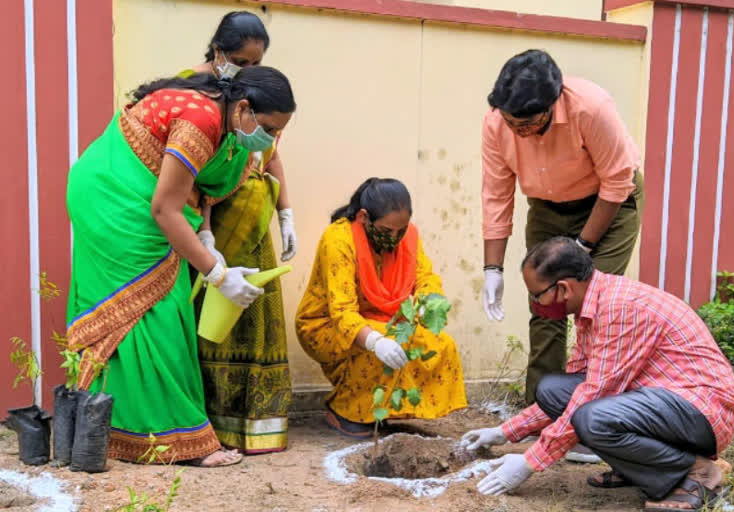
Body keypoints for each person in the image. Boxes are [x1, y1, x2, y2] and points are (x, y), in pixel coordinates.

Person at [66, 66, 296, 466]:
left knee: (161, 309)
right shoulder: (200, 121)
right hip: (113, 198)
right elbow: (165, 209)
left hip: (141, 198)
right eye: (270, 128)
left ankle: (124, 428)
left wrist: (205, 238)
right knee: (155, 313)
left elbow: (196, 187)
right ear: (243, 108)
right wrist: (217, 274)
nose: (271, 140)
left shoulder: (226, 125)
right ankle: (162, 438)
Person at [462, 237, 734, 511]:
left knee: (591, 418)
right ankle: (642, 469)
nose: (536, 303)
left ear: (564, 288)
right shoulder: (592, 309)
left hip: (703, 411)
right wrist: (504, 432)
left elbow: (592, 396)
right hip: (663, 402)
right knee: (553, 390)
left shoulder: (620, 309)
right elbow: (577, 389)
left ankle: (698, 472)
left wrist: (529, 462)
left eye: (537, 295)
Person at [480, 49, 644, 409]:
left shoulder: (591, 108)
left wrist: (583, 247)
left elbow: (618, 183)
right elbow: (496, 195)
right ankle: (542, 409)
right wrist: (492, 269)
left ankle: (598, 414)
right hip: (547, 208)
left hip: (608, 204)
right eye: (512, 123)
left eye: (528, 124)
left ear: (553, 104)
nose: (519, 132)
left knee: (598, 307)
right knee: (545, 304)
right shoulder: (496, 123)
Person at [179, 11, 295, 454]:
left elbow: (273, 156)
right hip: (212, 222)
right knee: (212, 318)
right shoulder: (197, 96)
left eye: (257, 63)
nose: (250, 72)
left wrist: (286, 214)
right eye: (243, 63)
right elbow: (196, 179)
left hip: (254, 219)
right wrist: (205, 235)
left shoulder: (260, 105)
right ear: (219, 52)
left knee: (257, 319)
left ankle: (256, 428)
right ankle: (212, 426)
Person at [295, 178, 467, 437]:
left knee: (440, 344)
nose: (395, 238)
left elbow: (425, 277)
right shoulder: (338, 239)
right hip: (325, 325)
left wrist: (429, 303)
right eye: (387, 231)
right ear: (364, 217)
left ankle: (386, 410)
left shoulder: (407, 236)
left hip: (384, 320)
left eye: (401, 230)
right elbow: (342, 311)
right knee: (387, 342)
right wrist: (376, 342)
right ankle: (343, 412)